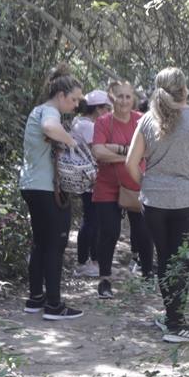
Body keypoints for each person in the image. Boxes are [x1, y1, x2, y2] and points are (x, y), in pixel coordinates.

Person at [125, 67, 189, 343]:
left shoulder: (146, 121)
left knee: (166, 257)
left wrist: (145, 184)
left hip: (154, 201)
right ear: (186, 89)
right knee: (181, 260)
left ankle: (171, 317)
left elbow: (130, 164)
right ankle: (176, 324)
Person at [18, 65, 85, 320]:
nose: (77, 104)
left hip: (32, 185)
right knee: (54, 245)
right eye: (74, 99)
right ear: (60, 95)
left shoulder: (39, 110)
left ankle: (36, 298)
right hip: (45, 189)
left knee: (41, 243)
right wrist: (72, 142)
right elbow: (49, 127)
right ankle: (54, 306)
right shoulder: (49, 112)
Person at [90, 79, 155, 299]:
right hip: (108, 186)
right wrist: (129, 155)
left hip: (138, 184)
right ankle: (105, 280)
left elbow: (149, 151)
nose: (124, 101)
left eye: (128, 96)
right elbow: (98, 152)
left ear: (133, 99)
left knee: (144, 232)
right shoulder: (103, 122)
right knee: (109, 232)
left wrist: (117, 150)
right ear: (112, 97)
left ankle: (148, 275)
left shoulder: (141, 120)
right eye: (120, 96)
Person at [72, 90, 111, 277]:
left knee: (93, 219)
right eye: (106, 108)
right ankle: (83, 262)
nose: (108, 112)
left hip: (89, 178)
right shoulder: (88, 126)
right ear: (97, 109)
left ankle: (93, 260)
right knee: (91, 220)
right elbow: (96, 151)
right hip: (90, 179)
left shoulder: (79, 122)